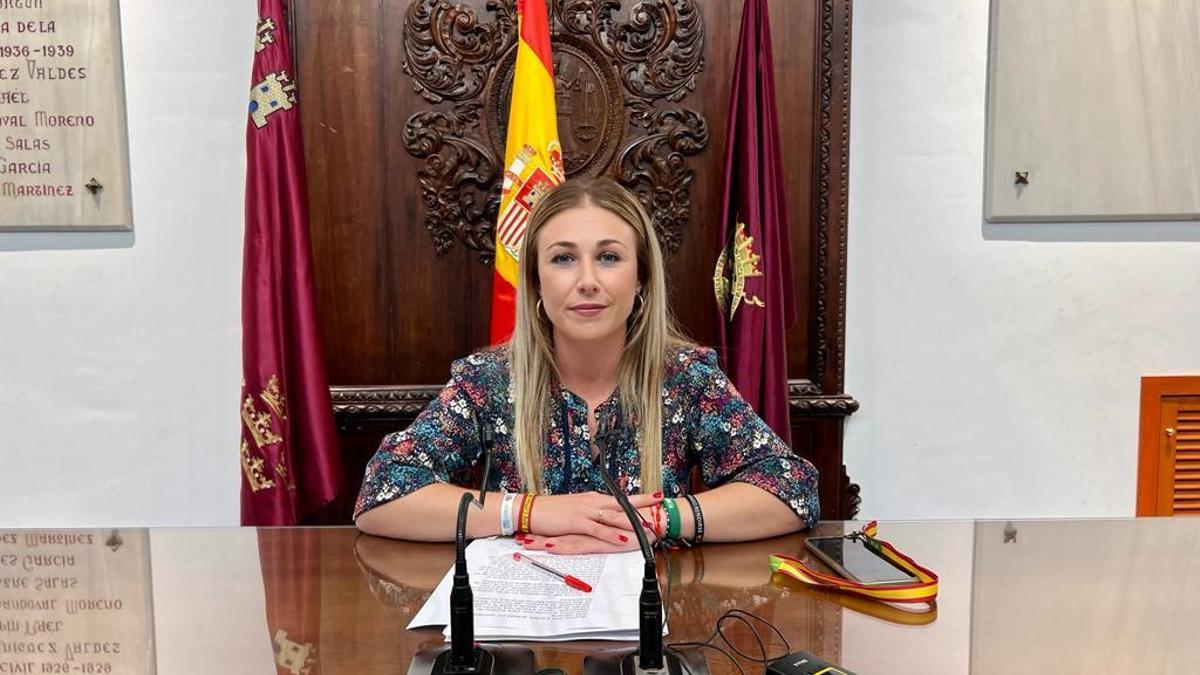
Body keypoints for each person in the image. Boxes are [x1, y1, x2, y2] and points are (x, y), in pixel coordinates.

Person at [355, 177, 818, 554]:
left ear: (641, 280)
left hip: (653, 620)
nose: (588, 281)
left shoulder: (686, 377)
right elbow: (382, 496)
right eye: (563, 259)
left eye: (609, 257)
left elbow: (791, 489)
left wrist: (658, 520)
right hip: (523, 627)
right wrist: (531, 512)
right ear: (536, 284)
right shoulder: (489, 380)